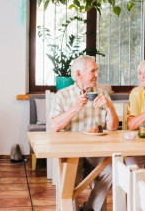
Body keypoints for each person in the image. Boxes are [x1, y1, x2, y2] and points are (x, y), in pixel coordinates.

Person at [50, 55, 119, 211]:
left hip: (97, 151)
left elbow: (113, 127)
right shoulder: (62, 95)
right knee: (69, 181)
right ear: (79, 74)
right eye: (93, 71)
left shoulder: (102, 94)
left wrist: (110, 107)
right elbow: (54, 126)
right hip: (71, 152)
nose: (97, 74)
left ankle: (89, 208)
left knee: (114, 169)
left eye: (97, 70)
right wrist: (74, 108)